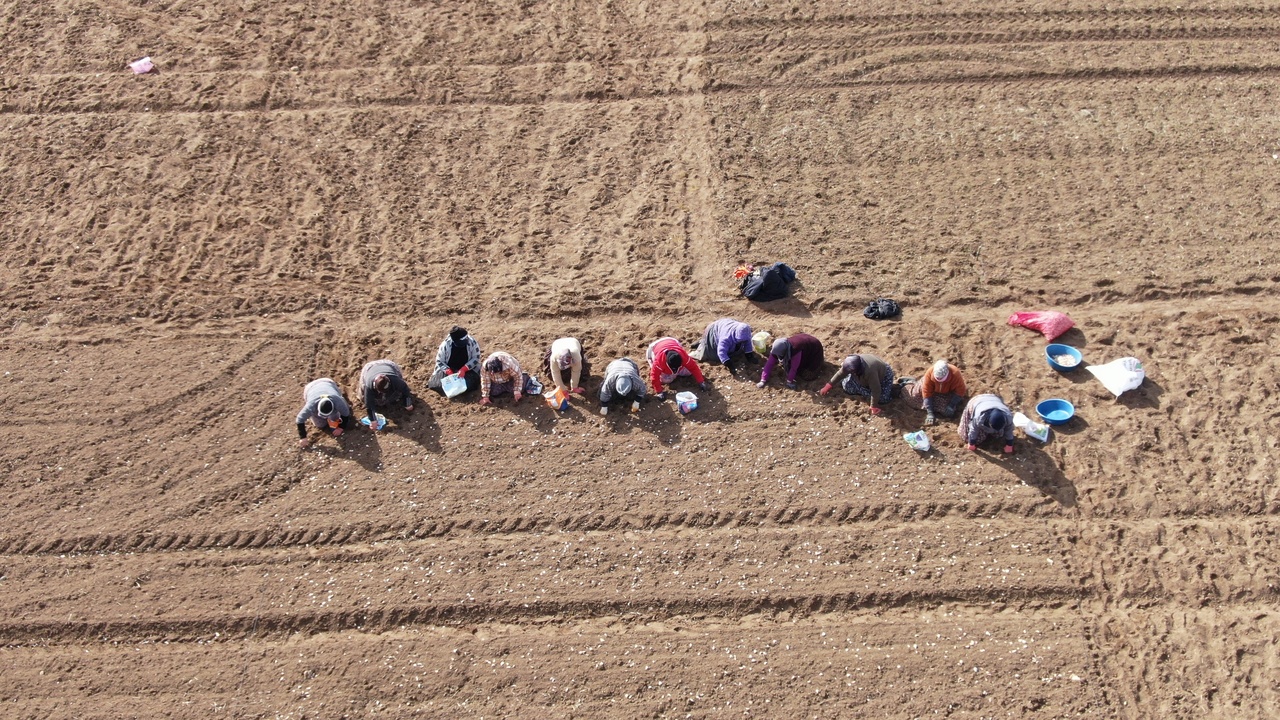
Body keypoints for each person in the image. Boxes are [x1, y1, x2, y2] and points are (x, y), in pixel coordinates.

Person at [821, 353, 895, 414]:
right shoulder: (851, 362)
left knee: (883, 398)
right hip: (862, 377)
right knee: (847, 387)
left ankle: (895, 390)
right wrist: (828, 386)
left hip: (883, 376)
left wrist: (873, 406)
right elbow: (840, 373)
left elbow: (876, 389)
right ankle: (857, 384)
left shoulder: (870, 371)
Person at [902, 359, 968, 425]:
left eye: (942, 379)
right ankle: (909, 382)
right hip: (931, 389)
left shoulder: (955, 373)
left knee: (947, 411)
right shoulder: (930, 373)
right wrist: (930, 413)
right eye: (937, 379)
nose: (939, 381)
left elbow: (961, 391)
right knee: (913, 397)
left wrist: (951, 405)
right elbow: (926, 392)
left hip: (947, 393)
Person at [295, 378, 354, 448]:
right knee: (320, 424)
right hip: (310, 388)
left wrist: (340, 428)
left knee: (336, 418)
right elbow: (300, 419)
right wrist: (303, 437)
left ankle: (333, 417)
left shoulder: (338, 401)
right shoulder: (311, 405)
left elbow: (345, 414)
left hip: (328, 383)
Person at [358, 359, 414, 429]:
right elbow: (369, 405)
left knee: (397, 395)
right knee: (363, 398)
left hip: (388, 365)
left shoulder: (394, 379)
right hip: (369, 369)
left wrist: (408, 404)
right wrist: (373, 421)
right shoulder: (369, 386)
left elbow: (405, 389)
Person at [427, 326, 481, 396]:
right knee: (436, 385)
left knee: (471, 384)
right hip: (449, 370)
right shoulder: (445, 345)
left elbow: (476, 358)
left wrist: (464, 369)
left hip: (467, 370)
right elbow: (439, 361)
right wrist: (448, 371)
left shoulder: (472, 342)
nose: (466, 340)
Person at [757, 333, 824, 390]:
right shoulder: (778, 348)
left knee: (808, 376)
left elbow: (794, 368)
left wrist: (789, 382)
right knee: (787, 366)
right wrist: (763, 380)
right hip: (803, 344)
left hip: (814, 350)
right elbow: (769, 364)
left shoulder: (795, 350)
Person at [689, 318, 755, 369]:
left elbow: (747, 342)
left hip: (724, 326)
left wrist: (749, 355)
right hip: (713, 330)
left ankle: (704, 341)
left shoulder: (746, 332)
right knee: (714, 356)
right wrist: (728, 363)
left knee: (738, 350)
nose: (742, 341)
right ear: (735, 334)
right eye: (740, 340)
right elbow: (721, 352)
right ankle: (703, 344)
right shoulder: (726, 337)